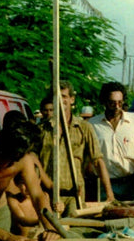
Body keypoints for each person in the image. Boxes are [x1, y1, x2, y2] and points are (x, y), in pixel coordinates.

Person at [36, 81, 114, 216]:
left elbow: (97, 160)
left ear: (72, 99)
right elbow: (33, 163)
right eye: (57, 96)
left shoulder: (84, 127)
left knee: (74, 231)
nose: (61, 100)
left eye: (64, 96)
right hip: (48, 195)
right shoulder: (42, 130)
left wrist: (109, 194)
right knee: (48, 232)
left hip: (74, 195)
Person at [88, 82, 134, 201]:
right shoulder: (93, 125)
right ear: (104, 102)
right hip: (103, 186)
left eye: (120, 103)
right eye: (112, 103)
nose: (117, 106)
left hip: (131, 183)